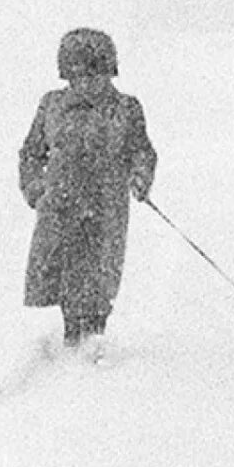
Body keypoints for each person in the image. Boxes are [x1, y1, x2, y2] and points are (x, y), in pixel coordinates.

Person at [19, 27, 158, 349]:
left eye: (97, 76)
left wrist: (140, 176)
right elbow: (31, 153)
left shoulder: (126, 109)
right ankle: (72, 336)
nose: (89, 85)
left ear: (110, 72)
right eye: (79, 77)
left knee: (99, 272)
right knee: (64, 272)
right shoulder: (51, 106)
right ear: (67, 76)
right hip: (61, 204)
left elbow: (142, 150)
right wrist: (36, 189)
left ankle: (95, 335)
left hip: (106, 204)